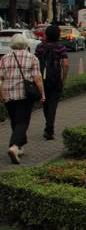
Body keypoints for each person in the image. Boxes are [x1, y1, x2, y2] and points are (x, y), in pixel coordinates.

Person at [0, 33, 45, 163]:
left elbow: (0, 79)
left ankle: (19, 146)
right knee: (22, 121)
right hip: (25, 95)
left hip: (8, 94)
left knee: (15, 120)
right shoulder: (32, 58)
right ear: (26, 44)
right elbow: (37, 78)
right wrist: (42, 94)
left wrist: (1, 94)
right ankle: (14, 146)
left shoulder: (4, 58)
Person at [35, 23, 69, 139]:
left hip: (42, 78)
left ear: (46, 34)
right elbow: (65, 64)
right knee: (53, 104)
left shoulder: (40, 47)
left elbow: (35, 63)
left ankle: (48, 126)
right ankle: (49, 129)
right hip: (55, 78)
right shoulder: (60, 47)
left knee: (45, 103)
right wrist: (63, 79)